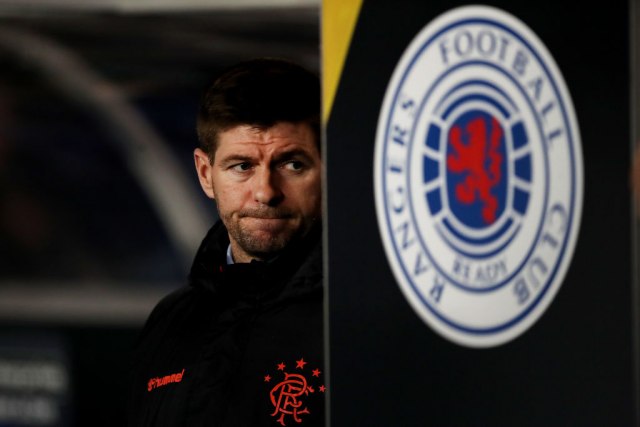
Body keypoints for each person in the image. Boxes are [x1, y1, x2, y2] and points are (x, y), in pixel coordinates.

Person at [128, 58, 325, 426]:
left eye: (292, 164)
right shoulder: (170, 322)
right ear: (206, 174)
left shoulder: (355, 319)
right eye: (242, 166)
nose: (265, 192)